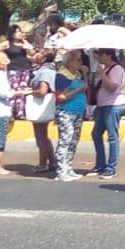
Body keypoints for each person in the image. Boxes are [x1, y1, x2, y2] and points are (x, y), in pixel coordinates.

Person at [88, 48, 125, 180]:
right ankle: (100, 164)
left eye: (101, 54)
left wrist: (102, 75)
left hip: (113, 105)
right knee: (96, 133)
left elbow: (112, 87)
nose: (99, 57)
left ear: (108, 55)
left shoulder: (117, 69)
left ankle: (111, 167)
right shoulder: (104, 68)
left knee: (112, 136)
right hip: (102, 105)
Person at [53, 50, 88, 182]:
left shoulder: (77, 74)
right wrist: (78, 90)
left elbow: (85, 86)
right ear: (70, 61)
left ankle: (68, 167)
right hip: (66, 111)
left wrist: (85, 73)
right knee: (65, 139)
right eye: (78, 60)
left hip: (78, 111)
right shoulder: (62, 76)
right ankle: (61, 170)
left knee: (73, 141)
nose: (80, 62)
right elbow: (61, 96)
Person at [28, 49, 58, 172]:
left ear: (44, 58)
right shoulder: (50, 70)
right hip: (48, 105)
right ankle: (52, 161)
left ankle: (42, 163)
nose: (35, 55)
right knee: (44, 136)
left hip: (41, 106)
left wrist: (28, 92)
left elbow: (42, 91)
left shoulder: (44, 72)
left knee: (40, 137)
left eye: (38, 53)